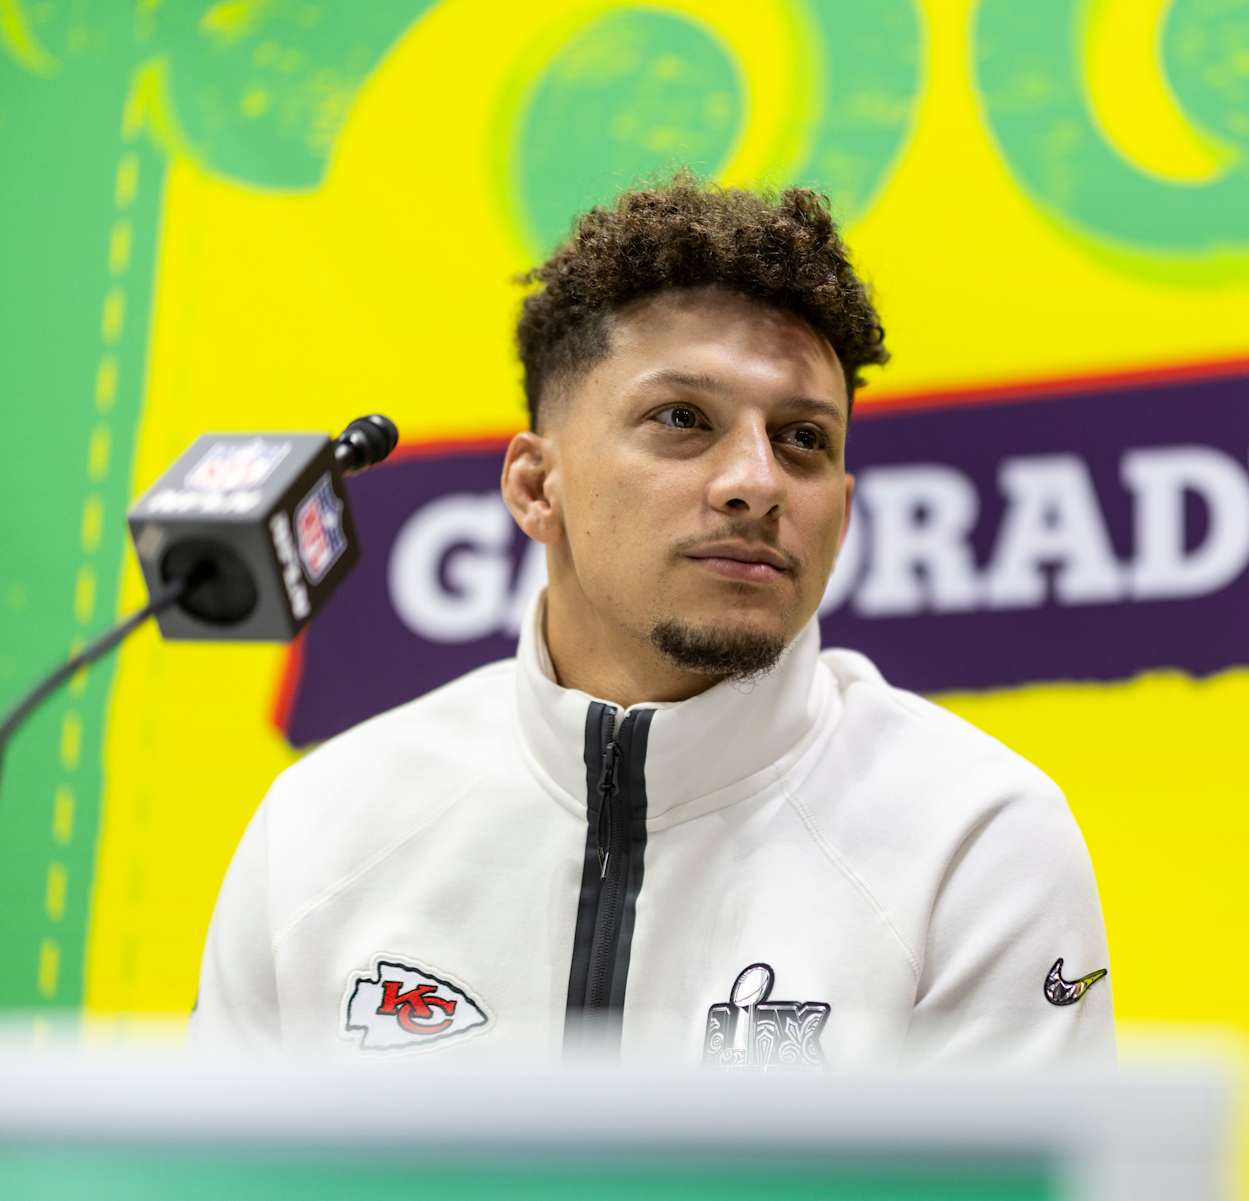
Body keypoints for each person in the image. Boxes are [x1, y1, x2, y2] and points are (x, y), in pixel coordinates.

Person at [191, 172, 1114, 1068]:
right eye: (683, 417)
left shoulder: (974, 836)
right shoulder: (326, 825)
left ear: (844, 501)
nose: (756, 482)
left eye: (803, 439)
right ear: (534, 486)